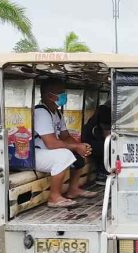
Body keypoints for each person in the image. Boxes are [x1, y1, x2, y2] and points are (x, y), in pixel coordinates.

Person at [33, 78, 98, 207]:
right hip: (35, 154)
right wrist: (75, 147)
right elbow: (51, 143)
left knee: (78, 154)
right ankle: (54, 197)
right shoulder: (40, 112)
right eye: (60, 92)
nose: (64, 95)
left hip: (47, 152)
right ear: (50, 95)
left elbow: (65, 136)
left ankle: (73, 190)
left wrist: (81, 146)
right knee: (64, 155)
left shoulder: (56, 112)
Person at [82, 104, 112, 184]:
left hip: (93, 144)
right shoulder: (95, 125)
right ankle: (102, 173)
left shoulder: (96, 120)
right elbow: (106, 135)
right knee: (106, 148)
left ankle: (103, 173)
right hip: (89, 146)